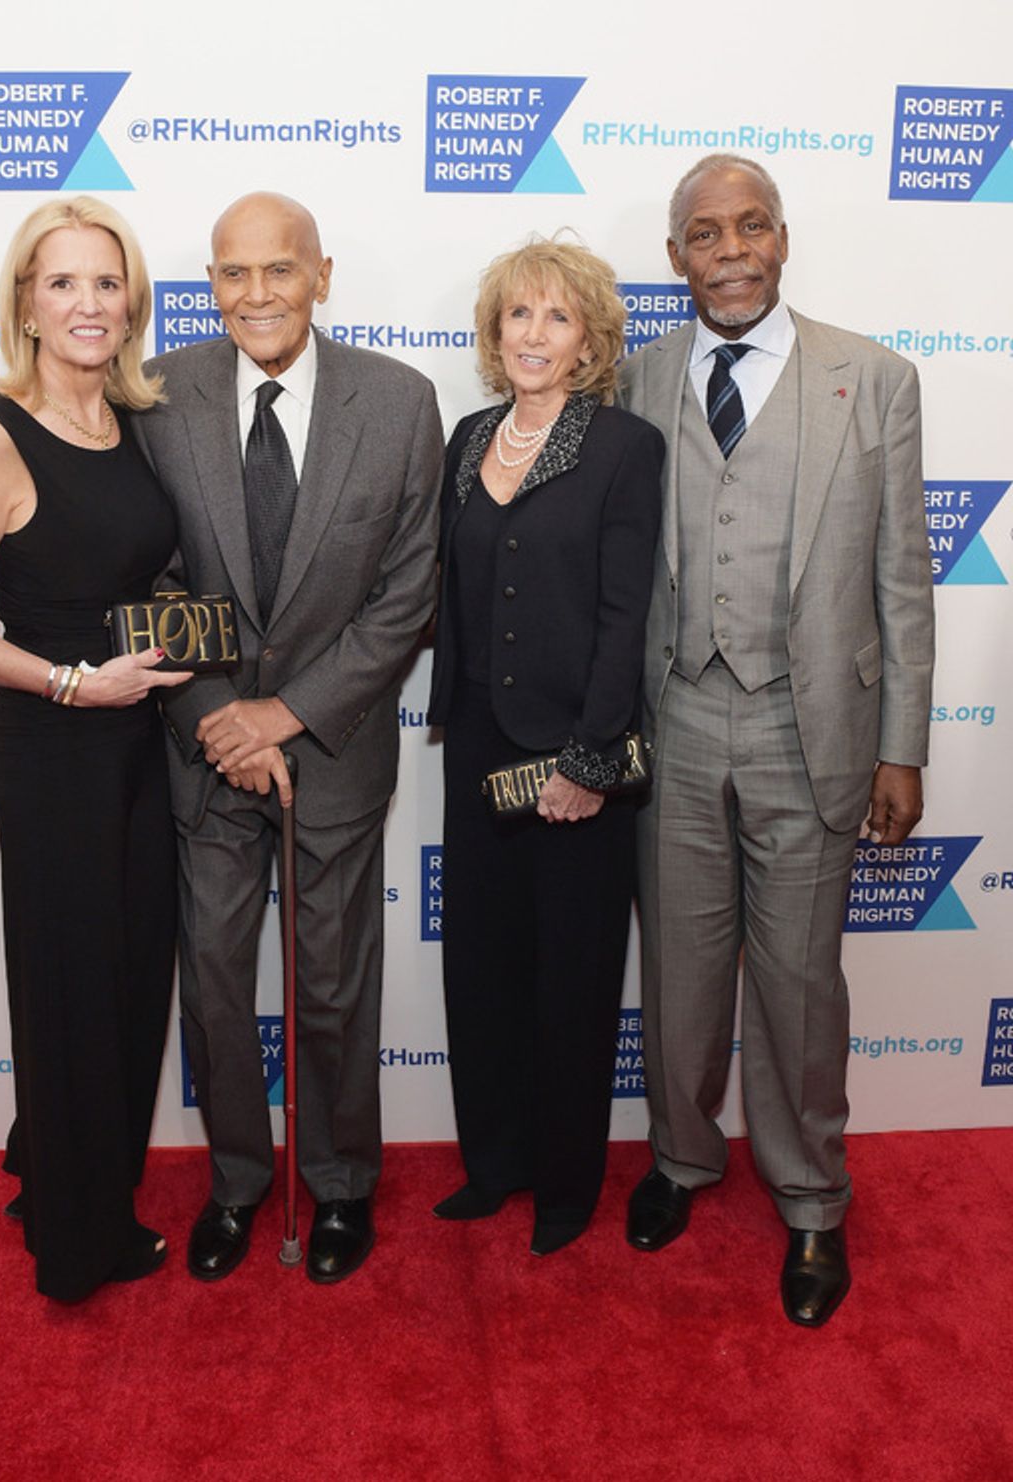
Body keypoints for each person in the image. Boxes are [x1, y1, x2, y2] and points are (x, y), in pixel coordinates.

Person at [619, 155, 934, 1325]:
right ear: (676, 259)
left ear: (785, 240)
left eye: (752, 226)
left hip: (818, 727)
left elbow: (905, 577)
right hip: (677, 720)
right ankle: (683, 1160)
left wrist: (902, 746)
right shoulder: (638, 378)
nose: (732, 249)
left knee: (802, 982)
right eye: (706, 233)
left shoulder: (878, 378)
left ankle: (810, 1198)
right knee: (684, 977)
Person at [136, 192, 442, 1284]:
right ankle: (235, 1183)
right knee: (217, 979)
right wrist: (224, 717)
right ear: (209, 283)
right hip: (205, 747)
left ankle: (343, 1185)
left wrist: (290, 713)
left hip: (335, 750)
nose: (254, 294)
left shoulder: (400, 401)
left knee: (333, 984)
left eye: (278, 269)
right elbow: (150, 577)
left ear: (323, 273)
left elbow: (410, 592)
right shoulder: (159, 393)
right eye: (232, 273)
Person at [0, 196, 190, 1302]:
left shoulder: (128, 423)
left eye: (106, 283)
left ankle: (64, 1172)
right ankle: (80, 1242)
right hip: (54, 746)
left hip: (135, 742)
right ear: (26, 301)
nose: (87, 303)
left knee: (124, 980)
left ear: (133, 303)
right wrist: (73, 682)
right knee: (72, 990)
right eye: (62, 282)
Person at [426, 238, 663, 1255]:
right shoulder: (469, 435)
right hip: (478, 741)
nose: (534, 334)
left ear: (589, 339)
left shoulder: (622, 447)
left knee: (571, 976)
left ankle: (566, 1187)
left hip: (576, 748)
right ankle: (497, 1165)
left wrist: (589, 762)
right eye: (518, 315)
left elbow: (625, 615)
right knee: (481, 966)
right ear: (494, 333)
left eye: (557, 318)